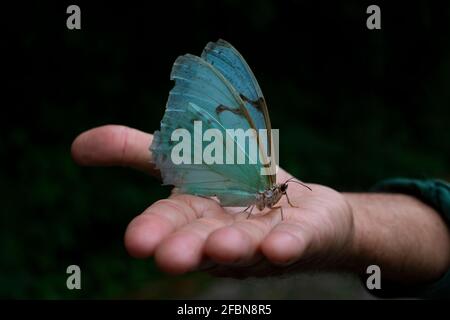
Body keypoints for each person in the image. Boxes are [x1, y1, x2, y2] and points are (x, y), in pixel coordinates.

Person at [71, 125, 450, 298]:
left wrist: (349, 225)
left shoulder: (274, 191)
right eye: (282, 190)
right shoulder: (262, 181)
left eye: (283, 191)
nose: (282, 192)